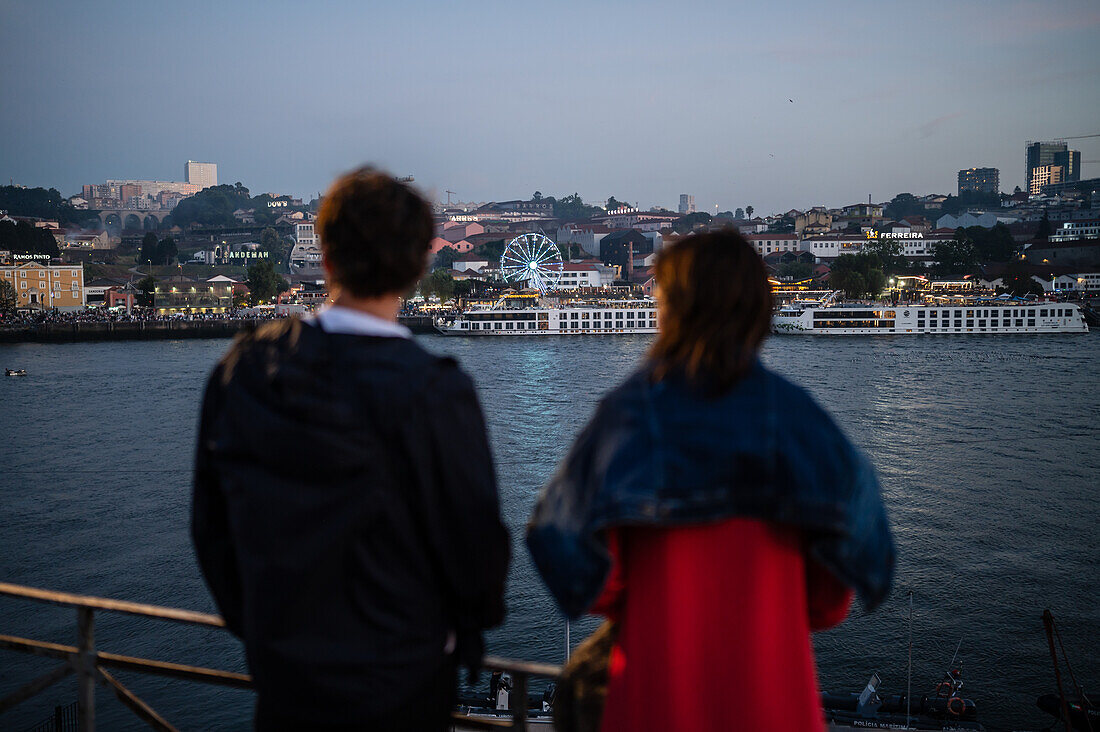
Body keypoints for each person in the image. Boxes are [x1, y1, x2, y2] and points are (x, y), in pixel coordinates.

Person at [527, 230, 894, 731]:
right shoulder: (806, 425)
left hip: (654, 700)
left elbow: (567, 555)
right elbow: (833, 601)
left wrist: (644, 601)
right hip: (775, 704)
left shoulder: (626, 418)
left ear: (669, 307)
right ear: (759, 309)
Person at [192, 167, 510, 731]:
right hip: (406, 678)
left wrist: (266, 627)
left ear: (327, 258)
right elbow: (477, 545)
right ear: (417, 267)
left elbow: (211, 528)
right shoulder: (438, 392)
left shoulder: (246, 370)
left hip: (288, 676)